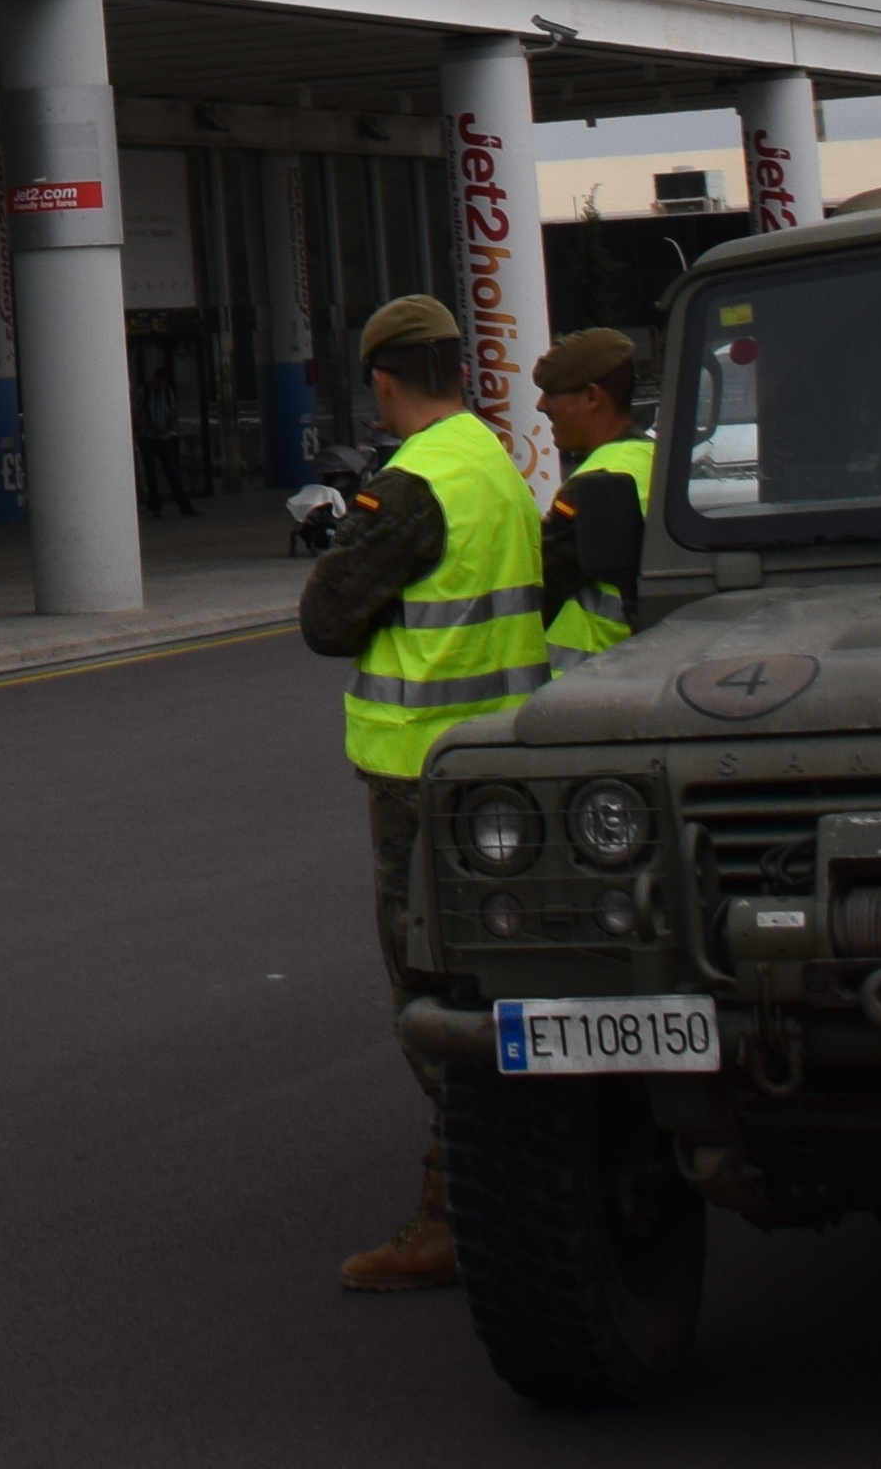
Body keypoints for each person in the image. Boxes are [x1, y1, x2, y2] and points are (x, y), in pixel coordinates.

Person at [291, 294, 544, 1296]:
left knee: (431, 993)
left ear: (385, 384)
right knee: (501, 976)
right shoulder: (494, 460)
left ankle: (459, 1207)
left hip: (420, 773)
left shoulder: (414, 482)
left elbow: (328, 617)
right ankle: (526, 1181)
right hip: (504, 760)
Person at [533, 327, 648, 664]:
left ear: (592, 397)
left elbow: (536, 591)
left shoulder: (591, 484)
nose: (541, 405)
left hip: (585, 681)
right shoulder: (653, 459)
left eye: (551, 393)